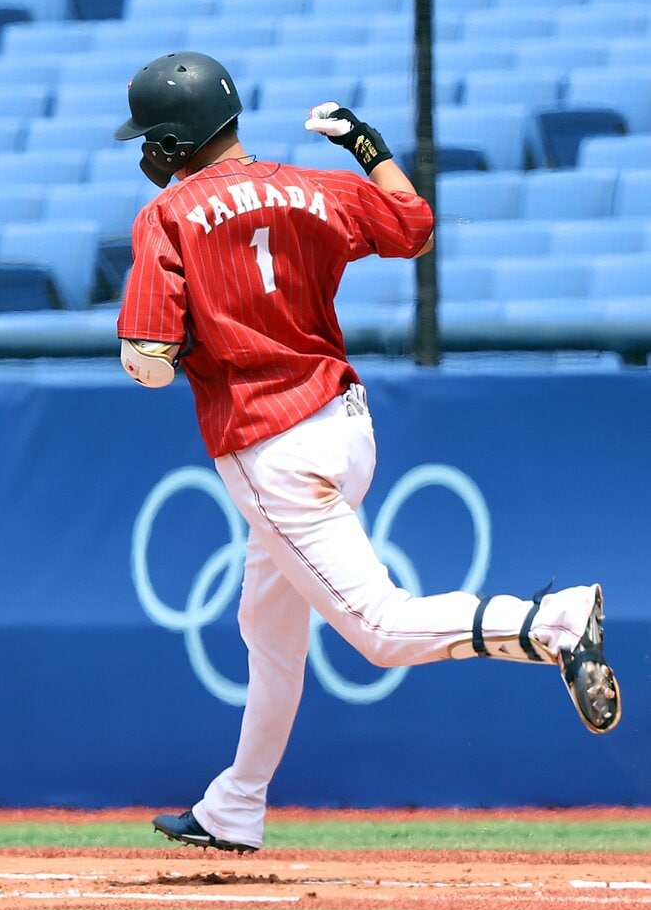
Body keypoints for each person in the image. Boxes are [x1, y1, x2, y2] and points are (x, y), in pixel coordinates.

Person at [114, 51, 621, 854]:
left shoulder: (167, 215)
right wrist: (366, 146)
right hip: (343, 424)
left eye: (152, 135)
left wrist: (180, 345)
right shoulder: (311, 186)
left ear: (178, 138)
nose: (147, 149)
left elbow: (145, 361)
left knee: (379, 630)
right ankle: (235, 804)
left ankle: (551, 623)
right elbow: (413, 227)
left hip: (269, 441)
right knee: (266, 626)